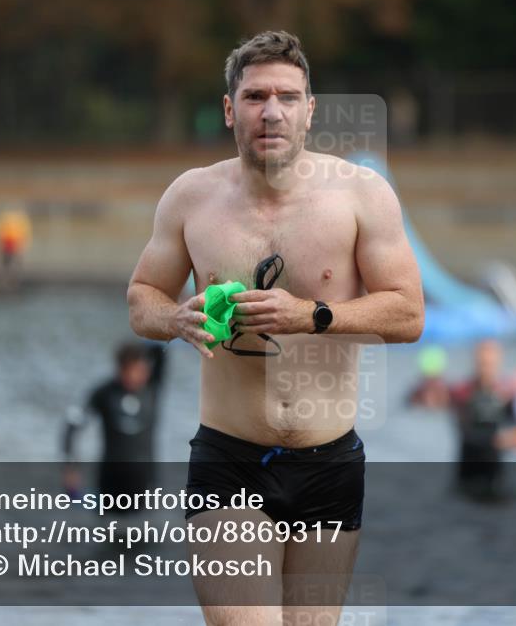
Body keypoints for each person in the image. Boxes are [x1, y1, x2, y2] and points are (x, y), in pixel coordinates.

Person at [126, 31, 423, 624]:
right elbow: (142, 299)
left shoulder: (362, 196)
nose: (272, 111)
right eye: (256, 96)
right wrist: (175, 317)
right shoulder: (191, 197)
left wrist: (312, 316)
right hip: (229, 458)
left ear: (310, 111)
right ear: (230, 108)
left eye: (288, 97)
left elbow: (409, 313)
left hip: (330, 461)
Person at [62, 343, 167, 508]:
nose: (139, 376)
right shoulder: (104, 393)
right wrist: (71, 467)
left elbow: (161, 347)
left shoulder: (152, 389)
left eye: (142, 370)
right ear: (121, 369)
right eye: (133, 370)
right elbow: (71, 427)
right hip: (110, 484)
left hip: (146, 486)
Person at [446, 340, 516, 498]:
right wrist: (498, 440)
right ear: (475, 362)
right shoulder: (462, 393)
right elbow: (465, 432)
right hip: (467, 479)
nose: (486, 369)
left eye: (490, 364)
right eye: (482, 363)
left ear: (498, 363)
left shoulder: (507, 396)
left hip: (496, 479)